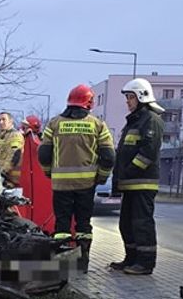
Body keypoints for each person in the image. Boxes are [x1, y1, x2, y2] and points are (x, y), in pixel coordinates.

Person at [37, 84, 115, 273]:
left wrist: (49, 172)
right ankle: (82, 263)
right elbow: (109, 156)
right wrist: (102, 177)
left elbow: (44, 153)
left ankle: (62, 265)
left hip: (61, 185)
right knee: (83, 224)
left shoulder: (54, 124)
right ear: (89, 103)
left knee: (62, 225)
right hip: (87, 184)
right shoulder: (97, 125)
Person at [110, 78, 164, 275]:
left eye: (131, 97)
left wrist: (128, 171)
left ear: (141, 97)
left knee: (142, 224)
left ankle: (145, 263)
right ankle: (131, 259)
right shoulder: (134, 120)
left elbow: (147, 153)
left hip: (143, 184)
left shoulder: (151, 120)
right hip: (130, 184)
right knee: (127, 224)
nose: (128, 101)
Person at [0, 112, 24, 188]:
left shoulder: (15, 135)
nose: (1, 122)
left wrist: (2, 172)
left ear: (10, 121)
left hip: (10, 179)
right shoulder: (0, 137)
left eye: (4, 119)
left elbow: (14, 155)